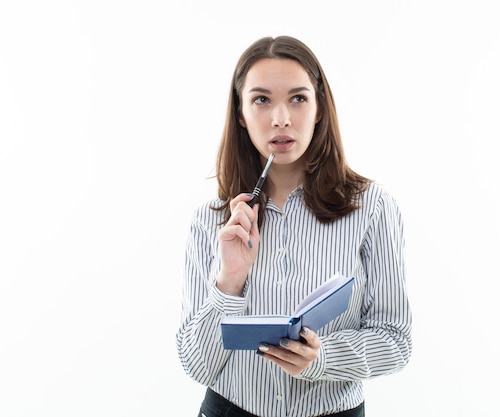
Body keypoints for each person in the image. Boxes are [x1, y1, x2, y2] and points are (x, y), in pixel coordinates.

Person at [176, 35, 412, 417]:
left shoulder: (373, 207)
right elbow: (196, 365)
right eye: (261, 100)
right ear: (240, 113)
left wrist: (321, 359)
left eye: (298, 98)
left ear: (319, 108)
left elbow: (395, 340)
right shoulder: (212, 219)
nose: (281, 118)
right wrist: (231, 279)